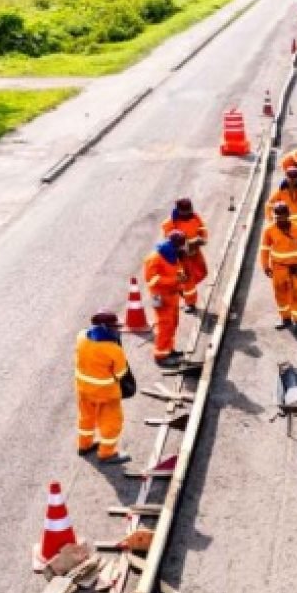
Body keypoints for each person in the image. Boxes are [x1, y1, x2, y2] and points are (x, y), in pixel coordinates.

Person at [74, 310, 136, 464]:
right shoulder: (113, 350)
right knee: (111, 423)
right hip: (105, 394)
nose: (116, 330)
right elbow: (121, 373)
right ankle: (107, 453)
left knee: (86, 418)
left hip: (83, 389)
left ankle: (84, 445)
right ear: (105, 328)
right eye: (114, 327)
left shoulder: (81, 337)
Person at [260, 202, 297, 336]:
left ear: (288, 215)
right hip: (278, 269)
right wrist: (265, 266)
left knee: (296, 295)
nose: (279, 219)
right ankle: (285, 319)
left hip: (296, 269)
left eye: (282, 216)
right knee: (280, 294)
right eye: (276, 217)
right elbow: (264, 250)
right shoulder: (269, 231)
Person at [143, 231, 187, 367]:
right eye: (181, 246)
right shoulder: (154, 258)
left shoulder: (172, 254)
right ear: (175, 245)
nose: (183, 249)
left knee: (173, 323)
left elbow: (176, 268)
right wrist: (175, 280)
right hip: (159, 297)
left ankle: (169, 350)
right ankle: (161, 356)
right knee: (164, 325)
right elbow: (152, 280)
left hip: (171, 295)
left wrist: (180, 278)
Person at [161, 198, 208, 313]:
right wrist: (186, 248)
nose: (189, 214)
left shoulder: (195, 217)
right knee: (188, 280)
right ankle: (190, 303)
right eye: (186, 212)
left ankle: (180, 288)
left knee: (202, 272)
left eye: (190, 210)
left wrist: (201, 240)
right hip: (181, 257)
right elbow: (171, 242)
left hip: (195, 252)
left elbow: (203, 230)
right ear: (179, 211)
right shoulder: (170, 224)